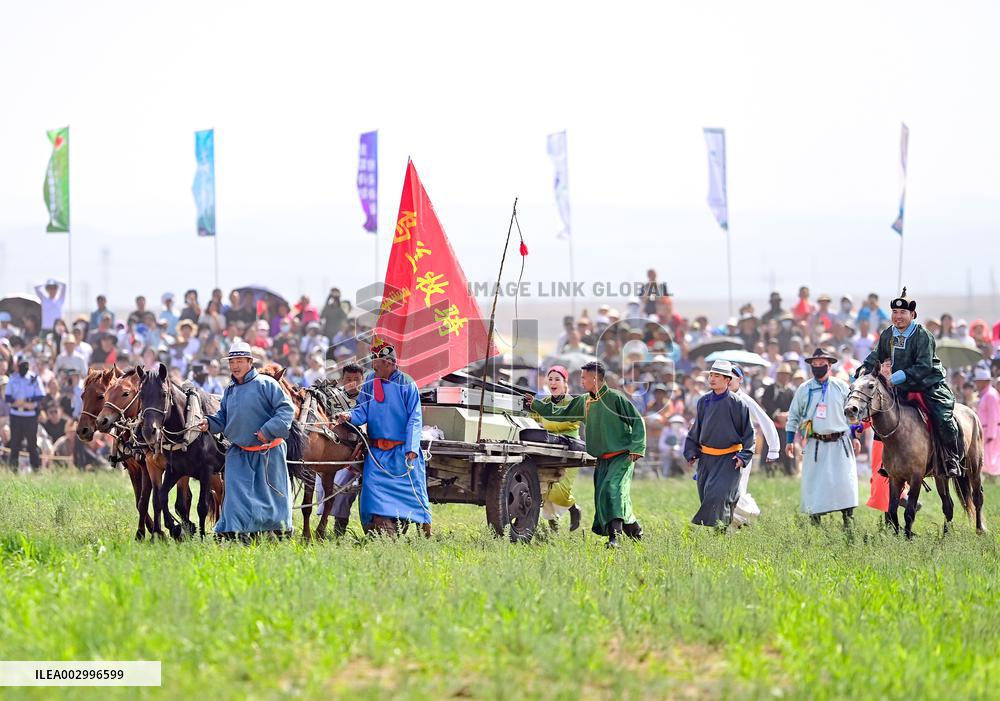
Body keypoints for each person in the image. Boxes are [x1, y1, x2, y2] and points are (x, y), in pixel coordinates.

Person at [529, 360, 645, 548]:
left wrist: (637, 447)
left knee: (612, 490)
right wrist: (536, 405)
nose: (581, 381)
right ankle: (635, 531)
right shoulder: (584, 401)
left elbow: (637, 421)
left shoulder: (616, 398)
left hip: (622, 455)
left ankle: (614, 539)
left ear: (595, 378)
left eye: (584, 377)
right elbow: (561, 413)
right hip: (602, 459)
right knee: (604, 496)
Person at [858, 288, 963, 478]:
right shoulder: (888, 334)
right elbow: (876, 356)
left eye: (903, 313)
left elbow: (924, 366)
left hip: (928, 385)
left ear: (912, 314)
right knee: (883, 416)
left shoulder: (923, 335)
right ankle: (888, 460)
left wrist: (899, 376)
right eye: (895, 312)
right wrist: (861, 371)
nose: (898, 317)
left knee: (943, 417)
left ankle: (951, 457)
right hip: (902, 387)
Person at [197, 341, 296, 538]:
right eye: (232, 361)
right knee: (235, 497)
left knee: (272, 497)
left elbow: (287, 410)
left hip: (269, 451)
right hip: (238, 452)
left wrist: (267, 430)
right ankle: (233, 531)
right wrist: (209, 423)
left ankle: (280, 531)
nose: (235, 366)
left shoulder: (267, 384)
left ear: (250, 362)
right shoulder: (230, 389)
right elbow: (223, 419)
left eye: (239, 361)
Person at [335, 340, 432, 536]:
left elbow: (415, 417)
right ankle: (379, 528)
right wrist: (350, 416)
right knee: (372, 493)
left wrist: (412, 448)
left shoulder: (407, 384)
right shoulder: (371, 380)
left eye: (377, 364)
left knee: (415, 492)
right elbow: (362, 408)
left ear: (389, 364)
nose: (373, 367)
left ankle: (425, 527)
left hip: (403, 453)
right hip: (377, 454)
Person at [787, 348, 860, 526]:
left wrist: (855, 436)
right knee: (815, 483)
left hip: (840, 441)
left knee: (844, 482)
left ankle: (848, 522)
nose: (818, 367)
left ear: (830, 365)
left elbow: (851, 413)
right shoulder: (804, 389)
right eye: (815, 364)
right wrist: (790, 440)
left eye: (822, 364)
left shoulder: (842, 387)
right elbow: (794, 415)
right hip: (815, 443)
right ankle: (815, 522)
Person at [683, 360, 755, 528]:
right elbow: (697, 428)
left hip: (729, 460)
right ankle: (725, 529)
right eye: (711, 375)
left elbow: (749, 434)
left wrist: (743, 456)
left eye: (717, 375)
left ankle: (721, 532)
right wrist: (691, 451)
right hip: (707, 460)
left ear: (727, 380)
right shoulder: (703, 402)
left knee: (719, 495)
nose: (712, 379)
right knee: (707, 496)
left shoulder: (738, 404)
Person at [530, 365, 583, 532]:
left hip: (570, 449)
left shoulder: (573, 403)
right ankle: (553, 523)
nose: (553, 382)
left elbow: (565, 421)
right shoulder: (543, 402)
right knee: (543, 485)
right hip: (548, 448)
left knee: (559, 490)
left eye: (557, 379)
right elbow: (533, 419)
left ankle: (573, 508)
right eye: (550, 379)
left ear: (564, 382)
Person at [729, 365, 779, 526]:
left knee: (737, 489)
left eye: (732, 378)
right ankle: (733, 523)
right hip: (720, 452)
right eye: (726, 377)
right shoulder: (715, 399)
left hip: (742, 452)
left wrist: (773, 449)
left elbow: (766, 422)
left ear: (740, 380)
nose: (728, 381)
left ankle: (748, 517)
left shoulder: (746, 401)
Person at [329, 363, 365, 536]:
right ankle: (337, 525)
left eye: (356, 379)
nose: (352, 383)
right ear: (342, 380)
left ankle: (340, 528)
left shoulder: (367, 398)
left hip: (362, 452)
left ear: (363, 380)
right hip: (337, 450)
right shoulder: (334, 399)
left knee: (343, 486)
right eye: (348, 379)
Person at [4, 357, 45, 471]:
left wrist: (27, 400)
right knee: (15, 443)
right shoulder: (13, 379)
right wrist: (18, 402)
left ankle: (36, 468)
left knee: (32, 443)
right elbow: (8, 397)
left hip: (30, 415)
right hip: (16, 414)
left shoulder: (34, 378)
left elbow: (41, 395)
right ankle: (13, 469)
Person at [760, 362, 796, 475]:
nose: (784, 377)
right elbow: (766, 402)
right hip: (772, 424)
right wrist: (777, 414)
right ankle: (768, 468)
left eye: (786, 374)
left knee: (787, 445)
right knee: (771, 445)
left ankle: (788, 469)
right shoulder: (771, 389)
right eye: (782, 374)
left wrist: (787, 415)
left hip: (785, 424)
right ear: (778, 375)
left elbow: (794, 405)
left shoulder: (790, 391)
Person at [974, 366, 1000, 477]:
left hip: (990, 431)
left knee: (990, 459)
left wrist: (991, 435)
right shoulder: (986, 394)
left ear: (985, 381)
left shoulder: (991, 395)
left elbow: (994, 416)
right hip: (985, 430)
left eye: (978, 381)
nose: (976, 384)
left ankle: (993, 481)